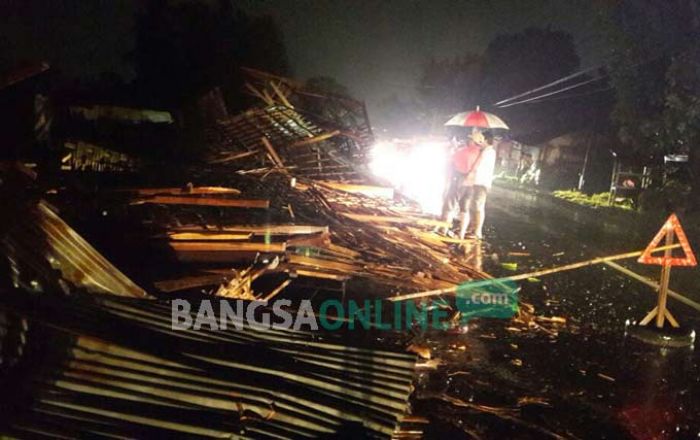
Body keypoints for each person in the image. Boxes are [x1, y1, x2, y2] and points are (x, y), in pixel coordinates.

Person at [440, 129, 496, 240]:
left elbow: (454, 163)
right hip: (473, 183)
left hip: (470, 180)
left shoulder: (483, 152)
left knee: (452, 206)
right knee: (466, 208)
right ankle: (463, 233)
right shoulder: (481, 152)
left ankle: (444, 229)